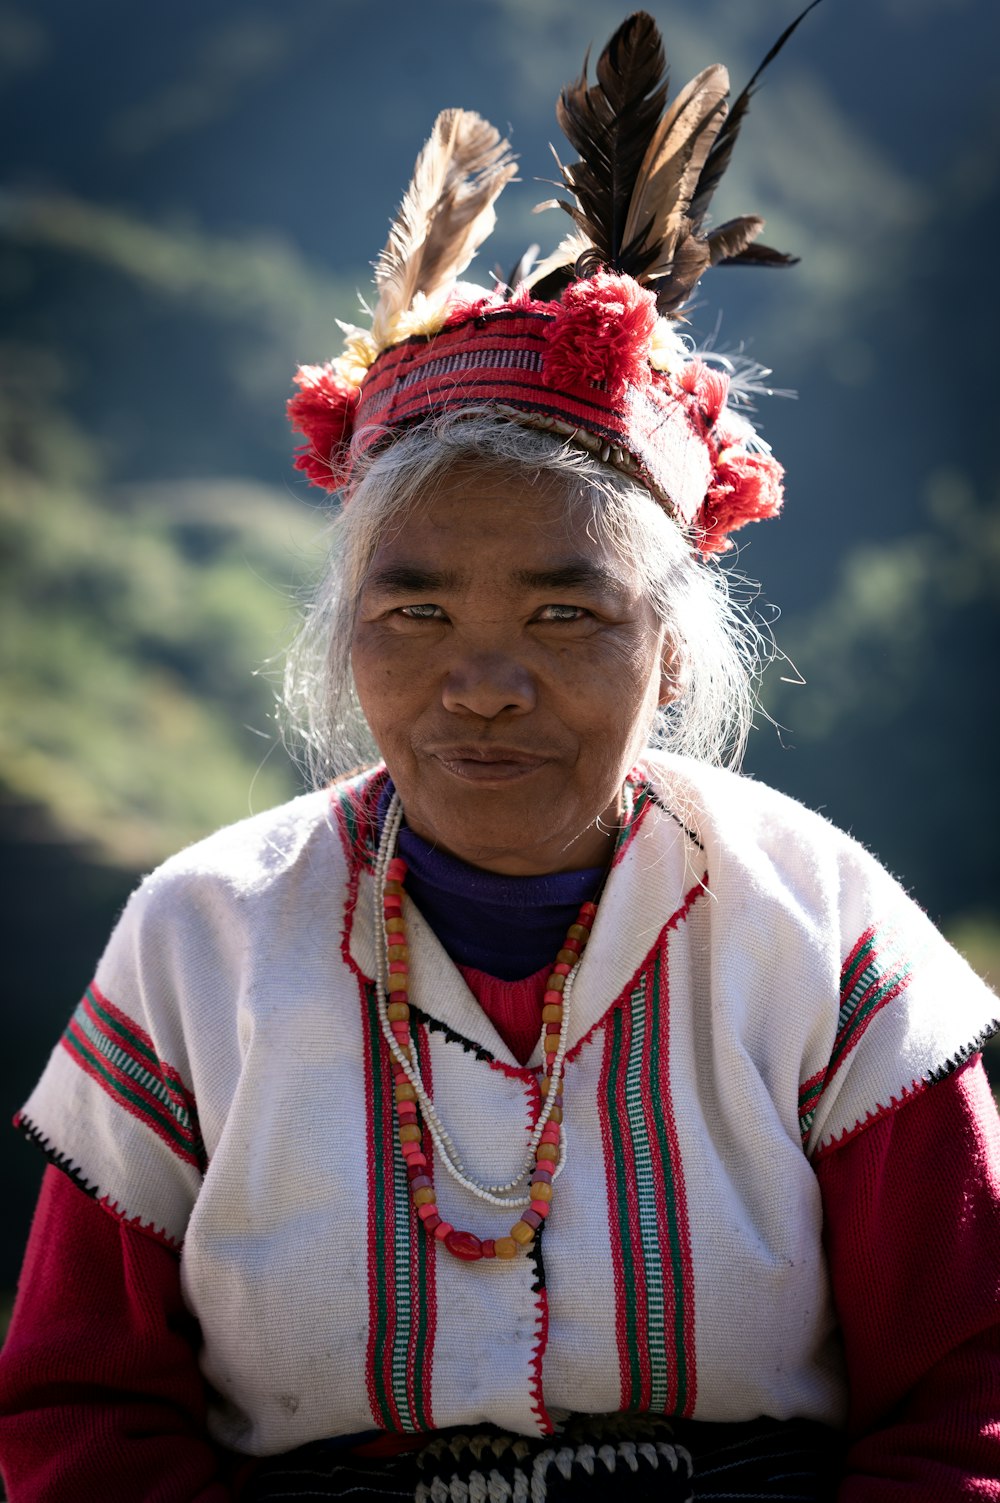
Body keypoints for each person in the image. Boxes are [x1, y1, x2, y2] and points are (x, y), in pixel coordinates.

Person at [1, 10, 999, 1501]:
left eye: (563, 611)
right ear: (346, 641)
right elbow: (83, 1407)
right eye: (413, 608)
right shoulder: (200, 944)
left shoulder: (823, 932)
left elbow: (972, 1393)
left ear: (668, 657)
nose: (481, 685)